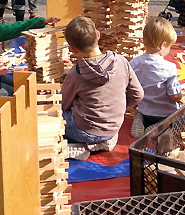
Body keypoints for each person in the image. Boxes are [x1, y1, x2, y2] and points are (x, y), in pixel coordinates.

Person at [61, 16, 144, 160]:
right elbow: (138, 94)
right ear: (98, 35)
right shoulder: (121, 61)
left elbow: (63, 104)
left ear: (73, 49)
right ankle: (102, 142)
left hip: (85, 130)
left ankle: (80, 147)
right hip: (113, 127)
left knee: (54, 119)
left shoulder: (76, 73)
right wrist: (119, 106)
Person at [129, 17, 182, 138]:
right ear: (163, 45)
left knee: (143, 112)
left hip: (145, 108)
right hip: (165, 113)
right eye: (170, 47)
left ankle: (140, 117)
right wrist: (181, 98)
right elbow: (174, 96)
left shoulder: (134, 63)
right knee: (180, 118)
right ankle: (160, 126)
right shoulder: (170, 67)